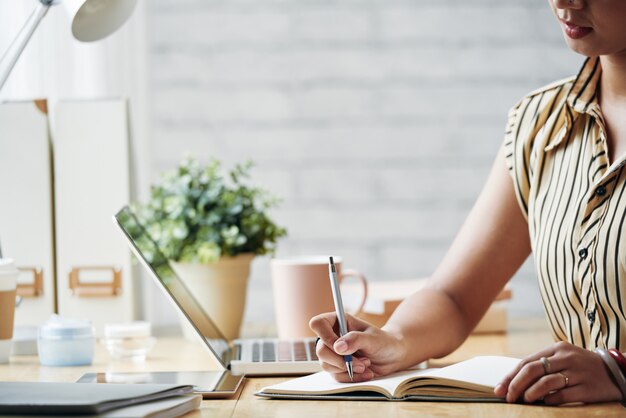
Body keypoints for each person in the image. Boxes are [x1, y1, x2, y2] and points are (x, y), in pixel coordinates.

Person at [309, 0, 626, 405]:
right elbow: (454, 298)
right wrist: (394, 342)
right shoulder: (541, 124)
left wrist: (618, 369)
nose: (565, 1)